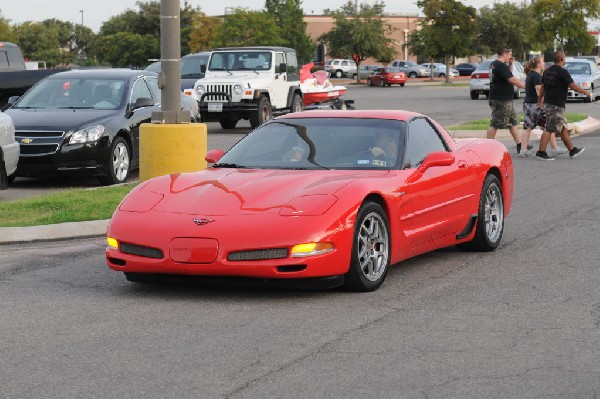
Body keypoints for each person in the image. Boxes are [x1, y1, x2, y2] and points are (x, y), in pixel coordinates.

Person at [535, 51, 588, 160]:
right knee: (549, 128)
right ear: (562, 59)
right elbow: (572, 85)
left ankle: (572, 150)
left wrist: (539, 100)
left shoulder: (547, 71)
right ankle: (541, 152)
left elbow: (543, 87)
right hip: (556, 105)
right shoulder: (562, 72)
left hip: (550, 103)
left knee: (563, 127)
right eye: (564, 57)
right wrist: (585, 92)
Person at [520, 56, 566, 158]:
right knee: (549, 126)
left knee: (528, 127)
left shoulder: (530, 75)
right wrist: (543, 102)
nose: (544, 63)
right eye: (542, 62)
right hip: (536, 105)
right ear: (538, 65)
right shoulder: (536, 76)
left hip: (528, 104)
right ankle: (554, 148)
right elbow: (538, 91)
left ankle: (523, 150)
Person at [486, 48, 527, 154]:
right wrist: (526, 86)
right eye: (509, 54)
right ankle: (487, 147)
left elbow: (505, 74)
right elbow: (511, 79)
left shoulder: (494, 64)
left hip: (505, 99)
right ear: (504, 54)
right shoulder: (500, 65)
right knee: (495, 123)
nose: (511, 56)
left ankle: (519, 145)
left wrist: (510, 64)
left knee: (512, 122)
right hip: (501, 99)